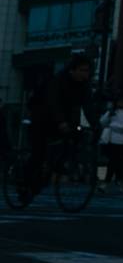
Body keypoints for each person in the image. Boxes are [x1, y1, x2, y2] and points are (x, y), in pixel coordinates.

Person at [28, 54, 92, 192]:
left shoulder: (84, 86)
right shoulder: (58, 81)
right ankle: (28, 177)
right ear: (72, 70)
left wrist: (95, 125)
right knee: (39, 150)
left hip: (63, 115)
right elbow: (53, 102)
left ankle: (58, 163)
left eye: (87, 71)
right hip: (42, 113)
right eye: (82, 70)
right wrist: (61, 122)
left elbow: (86, 107)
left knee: (74, 137)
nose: (85, 74)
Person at [99, 100, 123, 187]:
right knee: (113, 162)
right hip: (112, 141)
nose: (120, 103)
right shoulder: (112, 112)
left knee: (119, 163)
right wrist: (109, 116)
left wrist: (111, 124)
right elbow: (102, 122)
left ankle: (117, 180)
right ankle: (112, 181)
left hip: (122, 142)